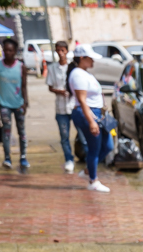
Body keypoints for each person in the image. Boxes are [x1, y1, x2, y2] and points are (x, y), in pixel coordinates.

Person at [67, 44, 110, 192]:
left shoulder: (84, 73)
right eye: (90, 58)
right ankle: (93, 180)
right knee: (94, 147)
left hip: (96, 113)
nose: (93, 61)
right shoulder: (78, 75)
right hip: (88, 113)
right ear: (82, 58)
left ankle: (88, 170)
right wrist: (91, 121)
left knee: (108, 145)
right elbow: (82, 100)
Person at [0, 36, 28, 168]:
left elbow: (24, 86)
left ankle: (23, 157)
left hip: (19, 104)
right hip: (4, 104)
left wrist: (26, 102)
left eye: (11, 50)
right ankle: (7, 158)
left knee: (21, 131)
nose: (8, 53)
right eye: (6, 50)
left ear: (15, 51)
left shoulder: (21, 67)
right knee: (6, 131)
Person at [44, 39, 75, 173]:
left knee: (83, 134)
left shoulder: (73, 67)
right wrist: (60, 92)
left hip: (74, 106)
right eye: (58, 51)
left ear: (66, 51)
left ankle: (86, 157)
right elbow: (50, 87)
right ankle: (69, 159)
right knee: (64, 135)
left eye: (63, 50)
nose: (61, 53)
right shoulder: (52, 68)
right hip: (61, 107)